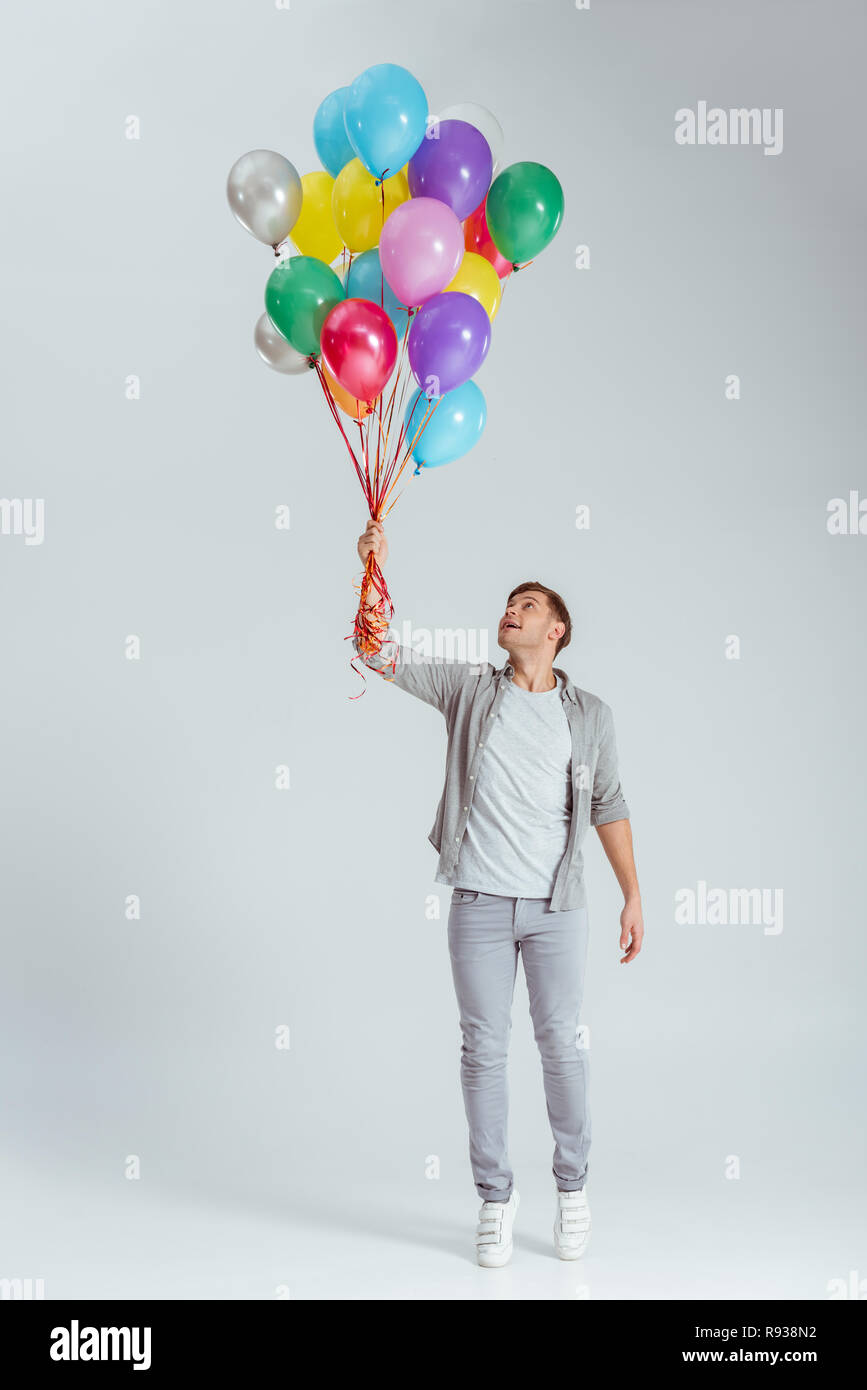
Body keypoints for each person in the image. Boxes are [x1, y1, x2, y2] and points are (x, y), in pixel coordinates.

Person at [353, 518, 643, 1267]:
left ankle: (572, 1190)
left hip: (556, 910)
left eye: (527, 604)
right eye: (508, 602)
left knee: (560, 1045)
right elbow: (374, 651)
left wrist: (631, 896)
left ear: (557, 629)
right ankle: (494, 1200)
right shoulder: (469, 690)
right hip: (478, 903)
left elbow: (608, 804)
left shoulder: (590, 717)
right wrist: (373, 571)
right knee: (482, 1049)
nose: (509, 610)